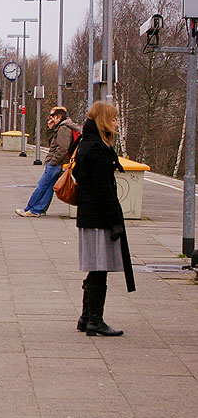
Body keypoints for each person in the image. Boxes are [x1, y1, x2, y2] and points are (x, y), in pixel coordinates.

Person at [73, 101, 127, 337]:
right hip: (99, 218)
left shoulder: (85, 144)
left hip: (88, 215)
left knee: (96, 268)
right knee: (100, 268)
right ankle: (95, 320)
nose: (116, 123)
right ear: (104, 121)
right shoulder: (99, 149)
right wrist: (115, 221)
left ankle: (86, 318)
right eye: (113, 119)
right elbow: (104, 190)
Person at [15, 106, 83, 217]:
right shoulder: (61, 127)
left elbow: (62, 148)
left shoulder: (64, 128)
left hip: (56, 163)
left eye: (54, 117)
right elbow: (52, 142)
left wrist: (53, 162)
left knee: (42, 186)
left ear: (60, 116)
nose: (52, 119)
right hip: (58, 162)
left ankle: (29, 208)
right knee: (48, 187)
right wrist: (50, 129)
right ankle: (38, 209)